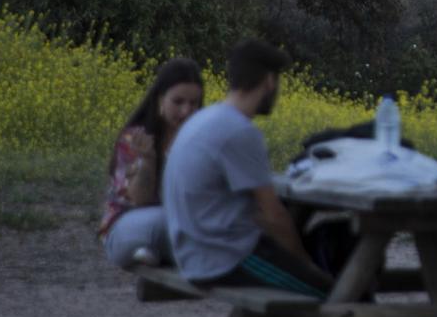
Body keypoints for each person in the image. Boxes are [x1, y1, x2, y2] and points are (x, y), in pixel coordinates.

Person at [162, 38, 333, 297]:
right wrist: (305, 264)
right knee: (331, 297)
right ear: (269, 82)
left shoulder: (205, 119)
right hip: (221, 260)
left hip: (193, 251)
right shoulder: (237, 130)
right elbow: (273, 215)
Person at [99, 57, 204, 269]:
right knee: (165, 222)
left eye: (194, 104)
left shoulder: (200, 139)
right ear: (160, 100)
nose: (186, 111)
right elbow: (138, 200)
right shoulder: (136, 138)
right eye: (178, 102)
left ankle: (164, 254)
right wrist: (148, 161)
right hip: (130, 224)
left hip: (181, 223)